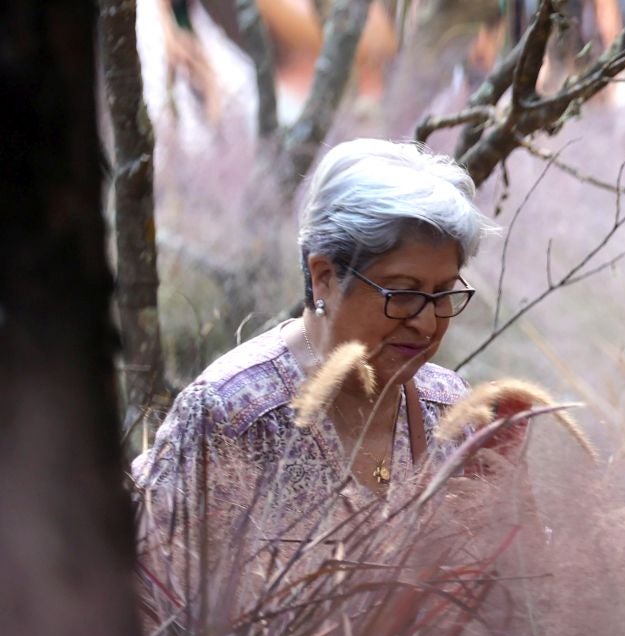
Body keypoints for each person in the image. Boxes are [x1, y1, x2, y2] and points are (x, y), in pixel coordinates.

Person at [134, 138, 505, 574]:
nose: (426, 323)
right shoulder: (232, 415)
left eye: (442, 293)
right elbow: (145, 591)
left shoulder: (451, 410)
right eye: (403, 293)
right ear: (324, 276)